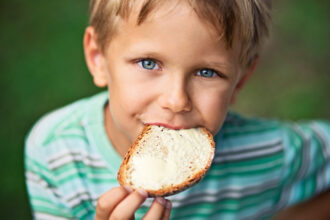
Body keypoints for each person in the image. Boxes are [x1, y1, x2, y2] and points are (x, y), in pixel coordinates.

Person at [25, 0, 330, 219]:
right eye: (149, 63)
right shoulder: (55, 152)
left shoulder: (268, 153)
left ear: (239, 82)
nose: (176, 100)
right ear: (98, 58)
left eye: (207, 72)